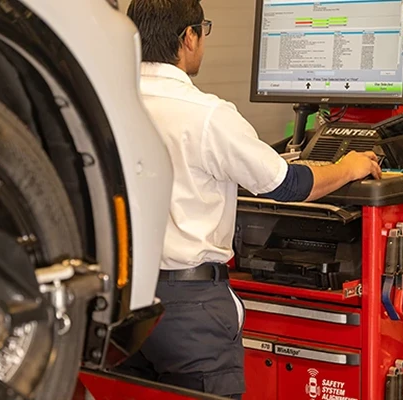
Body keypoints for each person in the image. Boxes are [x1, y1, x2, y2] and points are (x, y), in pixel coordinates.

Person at [121, 0, 382, 398]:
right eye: (203, 30)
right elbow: (289, 185)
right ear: (188, 37)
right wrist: (349, 166)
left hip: (123, 306)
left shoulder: (105, 106)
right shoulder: (207, 115)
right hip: (190, 313)